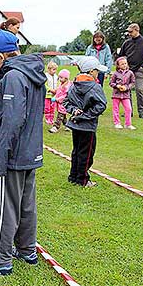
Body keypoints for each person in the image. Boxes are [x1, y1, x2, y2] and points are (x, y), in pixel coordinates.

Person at [0, 29, 46, 276]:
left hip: (13, 154)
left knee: (5, 207)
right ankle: (26, 249)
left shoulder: (13, 76)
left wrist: (1, 157)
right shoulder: (33, 72)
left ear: (1, 56)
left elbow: (12, 122)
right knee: (26, 204)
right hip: (30, 152)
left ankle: (0, 260)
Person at [63, 56, 107, 187]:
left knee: (77, 151)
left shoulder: (73, 85)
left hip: (76, 124)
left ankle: (74, 176)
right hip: (87, 126)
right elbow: (101, 105)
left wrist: (74, 110)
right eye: (97, 71)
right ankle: (83, 179)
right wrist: (86, 115)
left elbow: (66, 102)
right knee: (86, 153)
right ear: (91, 71)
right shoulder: (95, 87)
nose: (98, 74)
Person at [119, 23, 143, 119]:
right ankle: (128, 111)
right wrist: (123, 66)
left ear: (137, 30)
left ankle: (142, 111)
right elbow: (121, 56)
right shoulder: (126, 43)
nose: (129, 33)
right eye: (128, 32)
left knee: (139, 90)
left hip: (139, 70)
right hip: (127, 71)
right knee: (127, 91)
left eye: (131, 31)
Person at [109, 57, 136, 130]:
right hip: (116, 95)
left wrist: (126, 87)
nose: (124, 65)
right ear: (118, 66)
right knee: (115, 109)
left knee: (128, 109)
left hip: (126, 95)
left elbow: (133, 82)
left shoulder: (130, 73)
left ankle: (128, 124)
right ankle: (117, 123)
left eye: (125, 63)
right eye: (122, 64)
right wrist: (117, 86)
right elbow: (111, 83)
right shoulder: (115, 74)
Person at [49, 69, 72, 133]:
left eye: (61, 77)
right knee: (63, 115)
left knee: (60, 115)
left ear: (66, 78)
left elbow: (65, 96)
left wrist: (57, 99)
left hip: (63, 103)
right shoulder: (61, 84)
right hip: (60, 104)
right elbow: (58, 91)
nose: (60, 79)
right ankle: (67, 125)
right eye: (59, 77)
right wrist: (53, 91)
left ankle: (55, 127)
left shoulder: (67, 86)